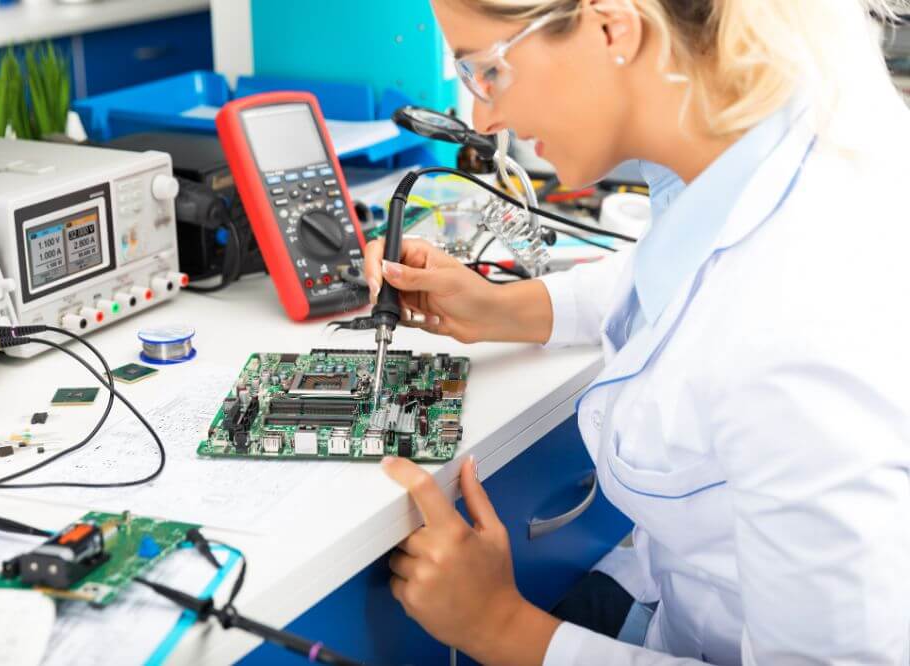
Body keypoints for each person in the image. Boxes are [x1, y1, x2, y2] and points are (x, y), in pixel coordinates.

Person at [363, 0, 910, 663]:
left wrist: (500, 628)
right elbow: (677, 275)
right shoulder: (769, 140)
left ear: (610, 27)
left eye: (489, 71)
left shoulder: (801, 329)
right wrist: (499, 307)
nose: (484, 119)